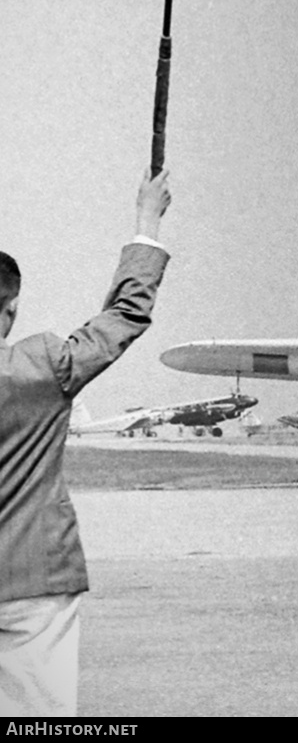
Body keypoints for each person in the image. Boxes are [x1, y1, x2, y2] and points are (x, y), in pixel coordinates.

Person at [0, 171, 171, 716]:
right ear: (11, 310)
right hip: (36, 576)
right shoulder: (41, 366)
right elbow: (123, 315)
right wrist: (147, 221)